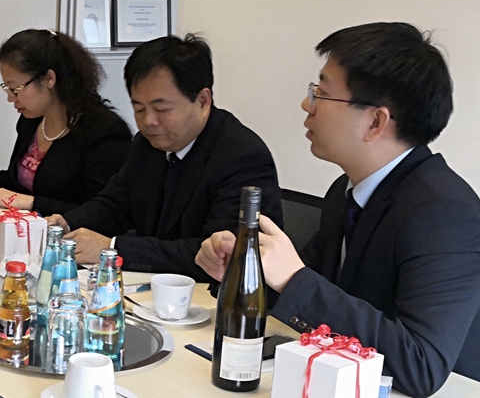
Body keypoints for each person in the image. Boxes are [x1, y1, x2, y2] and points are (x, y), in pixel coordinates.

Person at [196, 22, 480, 397]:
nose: (307, 104)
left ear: (375, 121)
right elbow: (313, 294)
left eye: (322, 94)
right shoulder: (345, 189)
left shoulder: (444, 213)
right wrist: (243, 272)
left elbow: (421, 364)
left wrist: (292, 278)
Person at [48, 34, 283, 281]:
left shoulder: (242, 158)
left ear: (203, 101)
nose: (148, 121)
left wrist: (113, 247)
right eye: (139, 108)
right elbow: (115, 204)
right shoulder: (147, 144)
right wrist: (66, 223)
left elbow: (219, 256)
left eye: (162, 109)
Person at [0, 29, 132, 216]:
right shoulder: (32, 120)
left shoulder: (104, 132)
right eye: (7, 89)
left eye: (15, 89)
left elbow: (103, 212)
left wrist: (31, 202)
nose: (10, 98)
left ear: (48, 79)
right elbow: (18, 178)